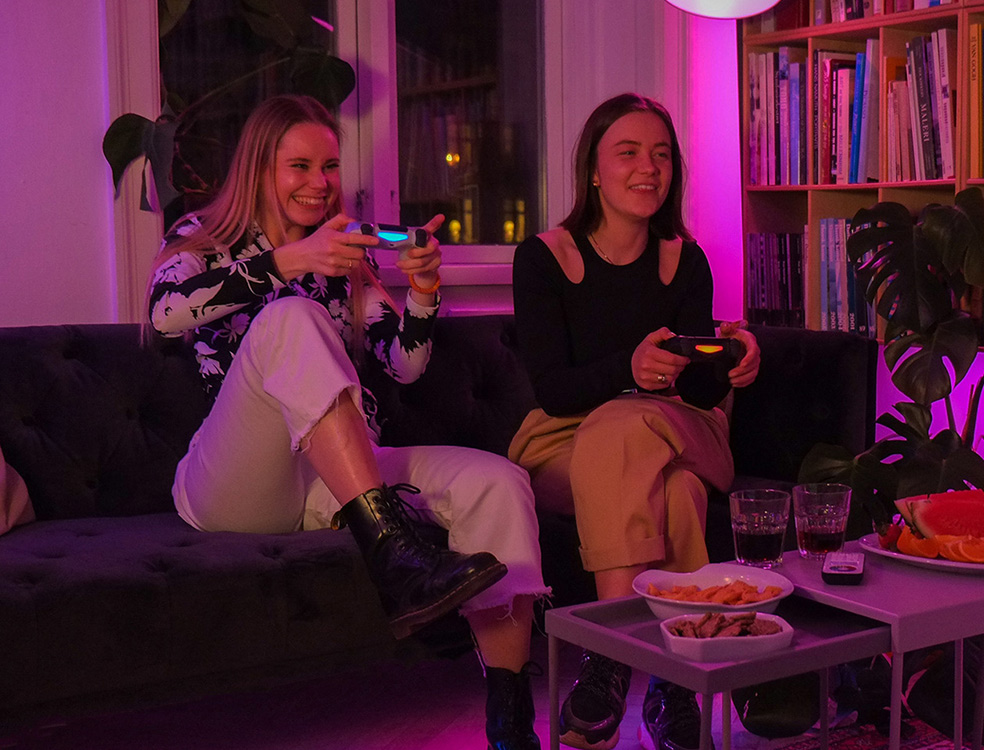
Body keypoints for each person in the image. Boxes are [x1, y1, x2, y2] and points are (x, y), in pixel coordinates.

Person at [147, 94, 548, 750]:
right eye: (298, 165)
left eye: (329, 166)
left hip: (335, 471)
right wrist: (288, 265)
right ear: (259, 169)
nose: (319, 181)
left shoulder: (346, 261)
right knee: (291, 316)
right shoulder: (202, 239)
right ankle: (393, 552)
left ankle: (508, 716)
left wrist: (422, 290)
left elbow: (405, 365)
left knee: (500, 481)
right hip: (232, 481)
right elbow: (165, 312)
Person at [508, 93, 761, 750]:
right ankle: (675, 685)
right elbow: (554, 390)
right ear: (594, 168)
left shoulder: (687, 258)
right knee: (668, 484)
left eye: (661, 155)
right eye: (628, 152)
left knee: (633, 428)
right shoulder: (543, 257)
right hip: (566, 438)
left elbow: (702, 391)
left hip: (679, 427)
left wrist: (734, 360)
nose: (648, 167)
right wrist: (629, 369)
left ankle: (609, 659)